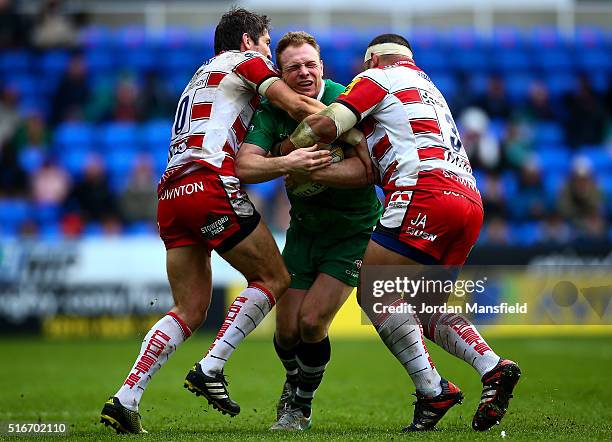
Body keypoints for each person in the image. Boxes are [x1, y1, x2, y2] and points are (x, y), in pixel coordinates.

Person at [99, 8, 365, 434]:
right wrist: (351, 131)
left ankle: (127, 396)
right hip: (208, 182)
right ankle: (212, 366)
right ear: (248, 42)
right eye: (266, 46)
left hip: (170, 194)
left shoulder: (197, 77)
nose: (270, 60)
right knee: (275, 277)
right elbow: (295, 104)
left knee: (189, 309)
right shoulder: (243, 62)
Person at [283, 34, 521, 432]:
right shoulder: (430, 88)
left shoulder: (378, 78)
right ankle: (493, 367)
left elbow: (326, 124)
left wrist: (289, 152)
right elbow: (380, 165)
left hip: (423, 193)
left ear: (372, 59)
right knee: (425, 307)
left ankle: (432, 389)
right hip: (467, 200)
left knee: (374, 293)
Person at [236, 31, 381, 431]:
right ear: (280, 75)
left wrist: (311, 167)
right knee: (284, 332)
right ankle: (294, 382)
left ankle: (299, 405)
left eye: (310, 65)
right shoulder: (270, 111)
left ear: (323, 67)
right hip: (303, 230)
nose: (303, 73)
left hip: (352, 231)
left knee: (312, 323)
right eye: (293, 67)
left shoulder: (347, 100)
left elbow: (370, 173)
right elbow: (245, 167)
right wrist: (286, 155)